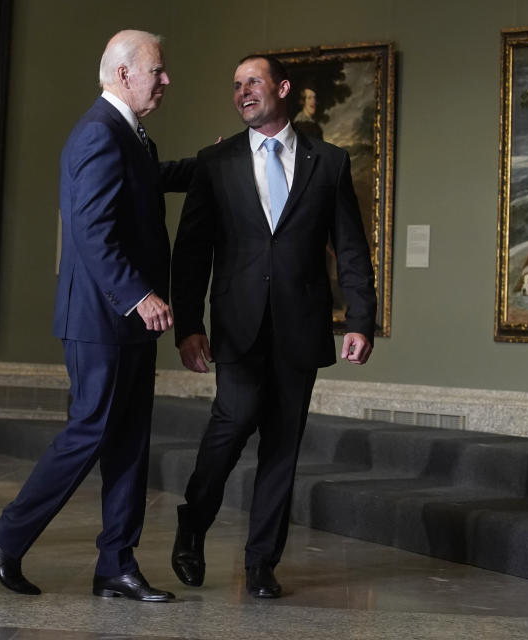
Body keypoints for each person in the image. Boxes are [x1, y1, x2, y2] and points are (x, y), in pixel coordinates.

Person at [0, 29, 193, 602]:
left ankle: (116, 566)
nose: (166, 81)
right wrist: (137, 295)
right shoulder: (99, 132)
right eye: (158, 71)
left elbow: (147, 181)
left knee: (128, 442)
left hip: (124, 319)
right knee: (90, 432)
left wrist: (211, 164)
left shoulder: (126, 132)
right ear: (123, 74)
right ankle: (4, 536)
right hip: (105, 317)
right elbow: (91, 231)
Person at [169, 54, 376, 599]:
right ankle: (194, 521)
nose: (242, 92)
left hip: (301, 328)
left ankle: (261, 563)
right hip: (236, 326)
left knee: (282, 448)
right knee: (231, 425)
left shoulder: (327, 162)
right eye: (235, 85)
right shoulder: (215, 163)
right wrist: (187, 325)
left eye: (252, 82)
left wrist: (361, 319)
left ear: (281, 88)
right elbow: (190, 253)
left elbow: (350, 248)